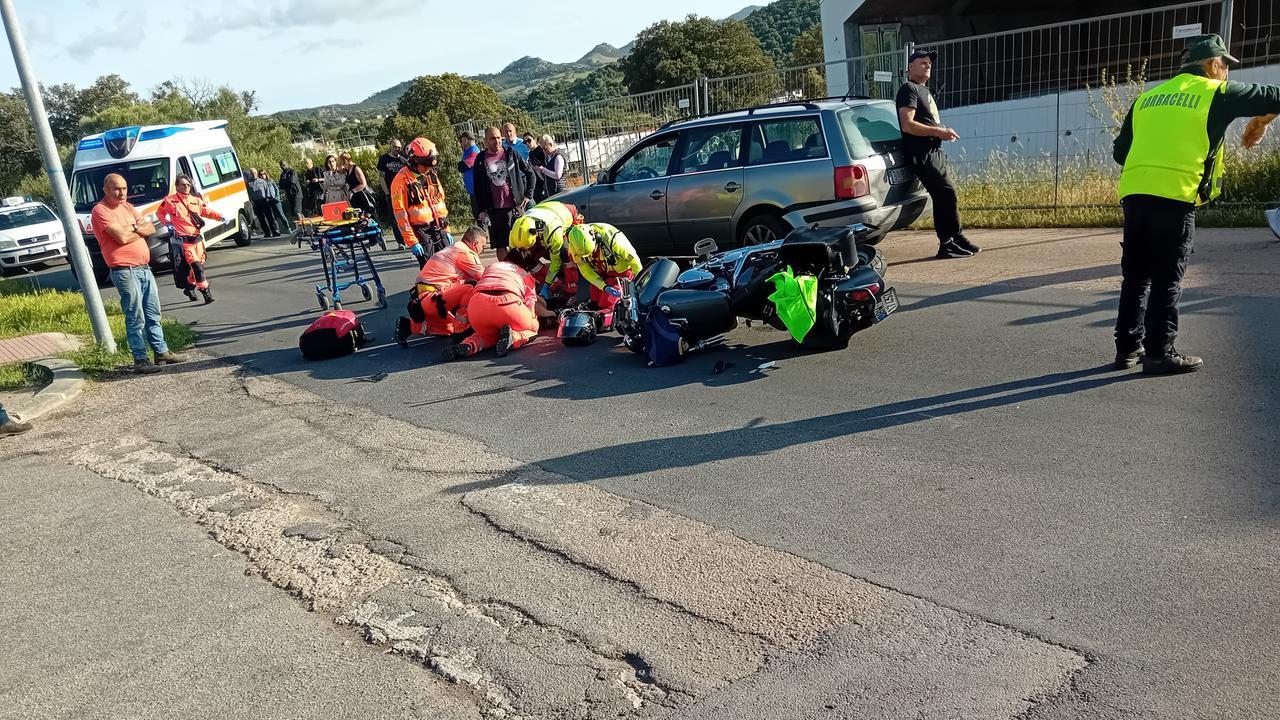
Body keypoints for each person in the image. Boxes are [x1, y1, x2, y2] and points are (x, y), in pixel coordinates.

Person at [1112, 33, 1280, 374]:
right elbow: (1278, 96)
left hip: (1135, 193)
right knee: (1167, 278)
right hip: (1176, 193)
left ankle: (1126, 351)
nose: (1228, 73)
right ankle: (1159, 352)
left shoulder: (1148, 97)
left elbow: (1120, 152)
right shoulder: (1217, 93)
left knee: (1136, 277)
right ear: (1213, 64)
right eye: (1226, 66)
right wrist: (1261, 121)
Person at [90, 174, 184, 373]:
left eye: (124, 188)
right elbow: (122, 238)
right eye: (117, 189)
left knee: (153, 312)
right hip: (125, 270)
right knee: (135, 316)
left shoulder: (128, 207)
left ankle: (161, 352)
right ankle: (140, 359)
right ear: (105, 189)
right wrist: (136, 229)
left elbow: (150, 228)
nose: (122, 192)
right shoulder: (100, 211)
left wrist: (133, 228)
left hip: (144, 268)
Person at [896, 49, 980, 260]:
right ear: (910, 67)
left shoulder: (924, 90)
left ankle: (956, 237)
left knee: (947, 194)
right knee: (945, 192)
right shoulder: (909, 89)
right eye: (922, 62)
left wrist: (941, 131)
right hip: (921, 152)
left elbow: (926, 122)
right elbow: (907, 125)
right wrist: (938, 131)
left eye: (929, 63)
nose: (927, 65)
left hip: (934, 150)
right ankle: (947, 243)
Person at [444, 259, 556, 361]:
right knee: (533, 327)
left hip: (477, 306)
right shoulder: (525, 274)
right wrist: (539, 318)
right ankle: (514, 338)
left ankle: (469, 345)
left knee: (486, 335)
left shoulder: (491, 267)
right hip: (506, 303)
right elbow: (530, 303)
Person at [395, 226, 488, 346]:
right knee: (470, 288)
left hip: (423, 299)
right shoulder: (465, 253)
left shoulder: (453, 248)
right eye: (483, 246)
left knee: (448, 329)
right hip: (433, 298)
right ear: (475, 243)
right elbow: (485, 277)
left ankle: (408, 326)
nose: (483, 250)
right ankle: (462, 331)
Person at [156, 174, 224, 304]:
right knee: (197, 267)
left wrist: (220, 217)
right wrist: (167, 223)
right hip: (183, 240)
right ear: (177, 186)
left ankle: (190, 287)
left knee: (198, 266)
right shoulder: (170, 201)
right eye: (183, 185)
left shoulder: (196, 200)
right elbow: (159, 213)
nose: (186, 187)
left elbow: (206, 211)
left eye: (188, 185)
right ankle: (206, 292)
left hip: (197, 240)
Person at [472, 126, 535, 263]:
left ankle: (526, 271)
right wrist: (481, 210)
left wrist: (527, 195)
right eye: (492, 139)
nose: (497, 141)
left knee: (521, 243)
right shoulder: (480, 159)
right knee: (501, 246)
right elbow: (477, 186)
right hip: (494, 210)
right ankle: (506, 272)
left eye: (499, 138)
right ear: (485, 141)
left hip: (515, 207)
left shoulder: (511, 153)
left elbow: (531, 174)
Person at [390, 137, 452, 269]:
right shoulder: (401, 181)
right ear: (414, 161)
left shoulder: (431, 175)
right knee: (431, 273)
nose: (427, 168)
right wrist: (412, 241)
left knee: (449, 268)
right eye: (425, 165)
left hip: (439, 228)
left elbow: (440, 203)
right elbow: (400, 214)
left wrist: (446, 229)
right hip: (421, 234)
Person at [566, 222, 642, 314]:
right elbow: (587, 272)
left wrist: (636, 287)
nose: (590, 256)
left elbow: (635, 262)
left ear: (596, 238)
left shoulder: (614, 240)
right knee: (595, 298)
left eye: (591, 251)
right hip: (601, 274)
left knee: (607, 303)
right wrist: (604, 287)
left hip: (621, 274)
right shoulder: (575, 250)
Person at [509, 199, 581, 291]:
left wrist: (547, 283)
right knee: (525, 259)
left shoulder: (552, 231)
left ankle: (572, 287)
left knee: (565, 254)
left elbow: (556, 261)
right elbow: (516, 259)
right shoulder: (514, 235)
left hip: (565, 213)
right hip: (543, 212)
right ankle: (553, 282)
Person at [377, 139, 408, 247]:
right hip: (391, 193)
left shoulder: (402, 160)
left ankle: (408, 238)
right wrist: (387, 192)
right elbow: (381, 177)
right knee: (394, 218)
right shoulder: (384, 159)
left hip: (403, 192)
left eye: (399, 147)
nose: (397, 149)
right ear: (391, 146)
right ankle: (400, 242)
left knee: (406, 216)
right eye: (395, 147)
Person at [534, 135, 568, 201]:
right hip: (550, 191)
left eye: (545, 148)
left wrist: (543, 170)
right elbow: (546, 176)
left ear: (551, 144)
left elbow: (557, 175)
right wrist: (539, 171)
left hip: (559, 191)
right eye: (542, 149)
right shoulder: (548, 157)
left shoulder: (558, 157)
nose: (543, 151)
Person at [247, 170, 279, 237]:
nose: (254, 174)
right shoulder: (248, 183)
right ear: (250, 174)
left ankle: (275, 231)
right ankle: (267, 233)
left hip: (264, 201)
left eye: (255, 173)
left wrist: (267, 197)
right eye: (252, 173)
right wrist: (250, 200)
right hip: (256, 202)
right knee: (261, 219)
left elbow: (267, 189)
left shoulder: (262, 181)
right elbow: (248, 193)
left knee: (270, 217)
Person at [279, 160, 303, 225]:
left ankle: (302, 226)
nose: (283, 166)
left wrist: (285, 182)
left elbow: (292, 181)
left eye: (284, 164)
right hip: (289, 194)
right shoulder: (282, 174)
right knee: (294, 212)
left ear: (287, 164)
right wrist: (286, 182)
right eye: (281, 165)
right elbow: (281, 185)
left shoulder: (292, 171)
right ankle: (303, 226)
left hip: (296, 193)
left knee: (297, 211)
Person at [457, 132, 480, 200]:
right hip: (472, 190)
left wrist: (461, 164)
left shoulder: (474, 151)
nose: (461, 143)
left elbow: (462, 167)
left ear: (465, 140)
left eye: (461, 140)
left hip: (477, 191)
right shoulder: (467, 151)